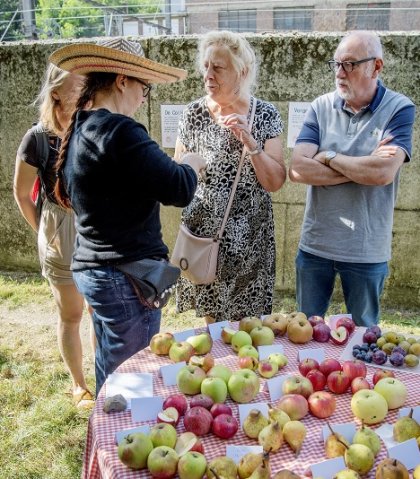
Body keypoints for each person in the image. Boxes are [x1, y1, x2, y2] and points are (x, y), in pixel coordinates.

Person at [50, 38, 204, 395]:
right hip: (125, 277)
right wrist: (192, 164)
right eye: (144, 88)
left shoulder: (82, 128)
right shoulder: (121, 131)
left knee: (110, 364)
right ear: (122, 80)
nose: (143, 97)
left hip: (93, 270)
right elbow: (179, 187)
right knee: (132, 376)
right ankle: (121, 444)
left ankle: (105, 433)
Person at [289, 31, 415, 327]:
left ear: (377, 67)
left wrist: (330, 157)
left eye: (350, 64)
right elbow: (298, 169)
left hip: (366, 250)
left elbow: (383, 173)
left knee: (364, 335)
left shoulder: (399, 108)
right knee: (304, 334)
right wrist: (361, 169)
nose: (339, 73)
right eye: (336, 64)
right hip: (315, 246)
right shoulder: (321, 106)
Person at [174, 31, 286, 324]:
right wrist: (189, 164)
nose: (208, 75)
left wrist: (251, 144)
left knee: (249, 328)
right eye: (206, 66)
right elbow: (178, 176)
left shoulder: (265, 115)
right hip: (204, 236)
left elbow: (275, 181)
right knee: (214, 329)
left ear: (242, 71)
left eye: (218, 68)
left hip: (251, 240)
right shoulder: (193, 114)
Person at [13, 64, 95, 408]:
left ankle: (105, 376)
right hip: (59, 226)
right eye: (77, 87)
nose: (85, 93)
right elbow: (20, 193)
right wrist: (47, 234)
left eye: (86, 87)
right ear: (56, 92)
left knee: (100, 310)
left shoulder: (92, 126)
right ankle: (79, 384)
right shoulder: (37, 137)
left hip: (95, 226)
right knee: (71, 314)